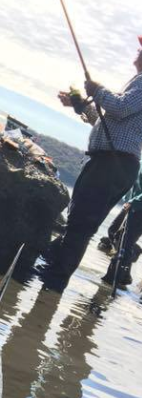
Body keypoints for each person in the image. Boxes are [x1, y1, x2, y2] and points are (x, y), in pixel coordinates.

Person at [40, 36, 142, 288]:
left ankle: (54, 280)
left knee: (80, 224)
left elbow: (118, 107)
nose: (138, 50)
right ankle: (53, 272)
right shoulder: (137, 85)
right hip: (112, 163)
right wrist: (79, 104)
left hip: (111, 164)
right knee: (79, 223)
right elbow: (107, 120)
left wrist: (97, 89)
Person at [97, 163, 142, 286]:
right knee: (115, 232)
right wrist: (128, 199)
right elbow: (134, 182)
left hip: (138, 208)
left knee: (125, 244)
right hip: (132, 205)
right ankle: (123, 276)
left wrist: (133, 202)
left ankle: (114, 278)